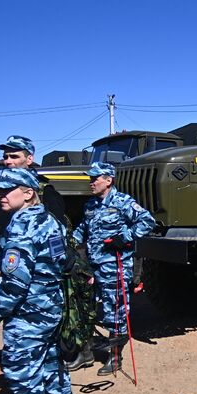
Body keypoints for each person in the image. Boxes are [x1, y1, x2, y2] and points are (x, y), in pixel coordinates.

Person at [0, 167, 75, 394]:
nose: (1, 196)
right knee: (51, 365)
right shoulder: (51, 222)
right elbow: (64, 262)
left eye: (8, 190)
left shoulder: (21, 227)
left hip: (28, 315)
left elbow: (13, 283)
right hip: (51, 308)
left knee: (24, 376)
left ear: (28, 193)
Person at [73, 161, 155, 376]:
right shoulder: (90, 205)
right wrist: (68, 242)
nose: (91, 182)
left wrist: (125, 238)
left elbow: (147, 221)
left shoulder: (122, 202)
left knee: (115, 311)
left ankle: (115, 358)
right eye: (90, 178)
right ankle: (86, 351)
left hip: (114, 265)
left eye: (95, 178)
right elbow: (83, 229)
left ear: (108, 181)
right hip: (92, 266)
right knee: (88, 309)